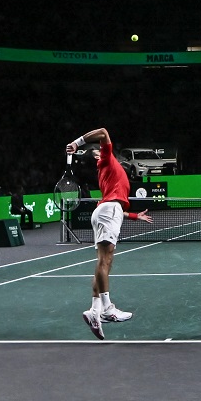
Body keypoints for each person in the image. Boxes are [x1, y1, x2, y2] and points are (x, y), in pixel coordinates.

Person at [64, 127, 136, 338]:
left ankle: (95, 311)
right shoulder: (105, 160)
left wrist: (133, 216)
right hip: (109, 212)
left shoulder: (107, 170)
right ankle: (108, 309)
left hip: (108, 211)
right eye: (98, 150)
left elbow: (114, 200)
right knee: (104, 261)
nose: (102, 149)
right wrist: (77, 143)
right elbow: (103, 132)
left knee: (104, 262)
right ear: (97, 156)